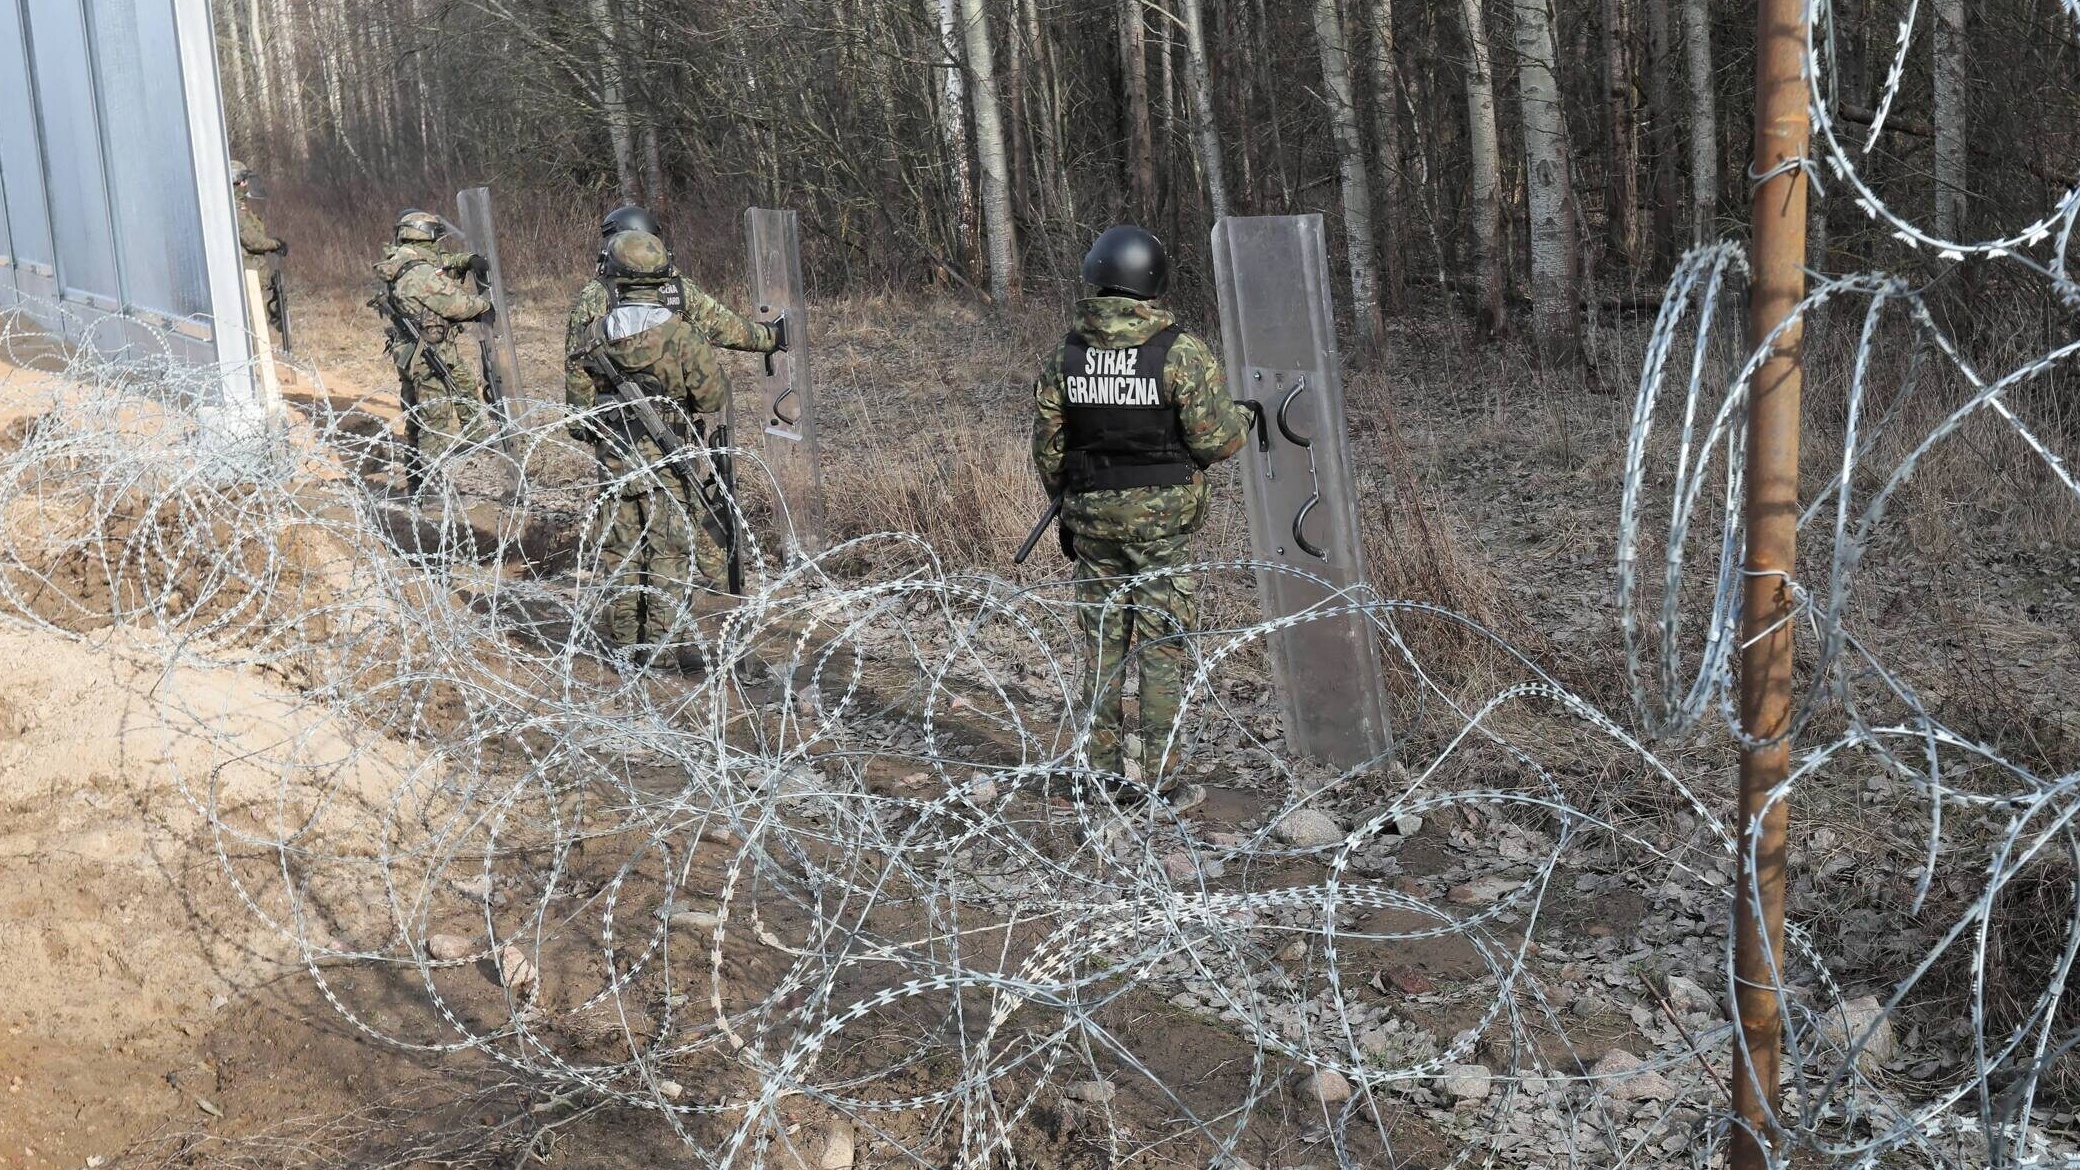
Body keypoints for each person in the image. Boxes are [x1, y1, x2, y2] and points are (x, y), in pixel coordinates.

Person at [1031, 226, 1251, 811]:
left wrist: (1073, 506)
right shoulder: (1180, 351)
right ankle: (1161, 779)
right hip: (1162, 532)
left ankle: (1099, 771)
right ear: (1152, 281)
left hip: (1093, 526)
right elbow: (1215, 442)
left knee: (1102, 649)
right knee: (1160, 649)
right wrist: (1246, 418)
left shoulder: (1065, 355)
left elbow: (1048, 450)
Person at [567, 230, 784, 665]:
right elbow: (711, 400)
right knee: (668, 554)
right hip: (667, 460)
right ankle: (662, 651)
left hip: (616, 462)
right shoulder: (682, 335)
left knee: (622, 553)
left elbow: (578, 417)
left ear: (615, 276)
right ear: (663, 274)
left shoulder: (590, 336)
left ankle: (628, 649)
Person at [372, 209, 492, 483]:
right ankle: (430, 492)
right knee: (433, 424)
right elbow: (456, 305)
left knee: (455, 386)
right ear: (425, 235)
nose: (438, 242)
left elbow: (441, 263)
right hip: (425, 356)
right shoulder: (418, 273)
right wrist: (484, 307)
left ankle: (475, 435)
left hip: (415, 353)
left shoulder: (405, 260)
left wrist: (468, 261)